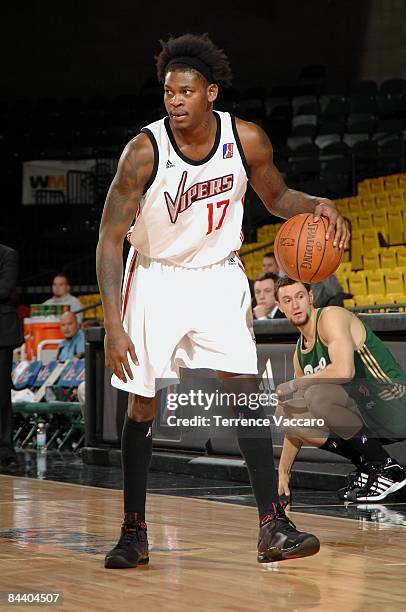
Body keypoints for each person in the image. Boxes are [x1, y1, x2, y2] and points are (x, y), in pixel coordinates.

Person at [96, 33, 349, 569]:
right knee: (143, 403)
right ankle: (134, 532)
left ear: (210, 92)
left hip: (216, 276)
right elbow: (108, 239)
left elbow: (277, 198)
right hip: (156, 278)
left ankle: (271, 527)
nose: (175, 102)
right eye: (168, 94)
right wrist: (113, 325)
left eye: (185, 92)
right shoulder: (143, 151)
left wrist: (319, 203)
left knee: (244, 390)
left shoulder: (247, 139)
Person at [274, 276, 406, 503]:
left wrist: (297, 383)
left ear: (311, 297)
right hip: (367, 415)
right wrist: (283, 471)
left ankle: (389, 468)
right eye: (287, 300)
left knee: (318, 395)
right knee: (286, 415)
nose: (295, 305)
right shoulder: (300, 353)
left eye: (299, 297)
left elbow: (345, 371)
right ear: (280, 307)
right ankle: (367, 465)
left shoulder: (330, 317)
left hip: (394, 400)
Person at [0, 244, 23, 467]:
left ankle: (5, 448)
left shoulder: (8, 254)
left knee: (1, 393)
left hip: (2, 334)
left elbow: (4, 290)